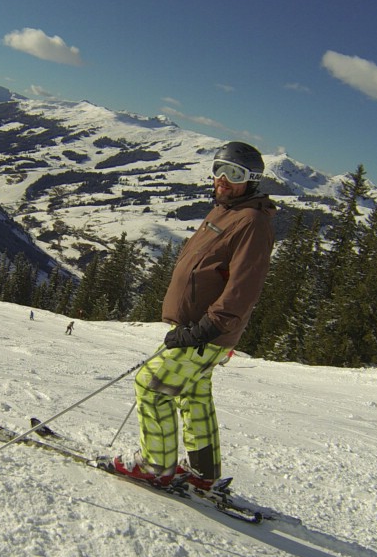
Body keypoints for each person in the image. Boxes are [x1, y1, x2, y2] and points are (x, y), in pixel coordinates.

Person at [110, 141, 276, 490]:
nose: (223, 179)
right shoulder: (226, 210)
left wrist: (205, 328)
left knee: (151, 385)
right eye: (219, 169)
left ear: (251, 180)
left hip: (206, 332)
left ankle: (156, 465)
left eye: (235, 174)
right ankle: (203, 470)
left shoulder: (252, 221)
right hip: (198, 329)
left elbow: (243, 288)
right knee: (194, 394)